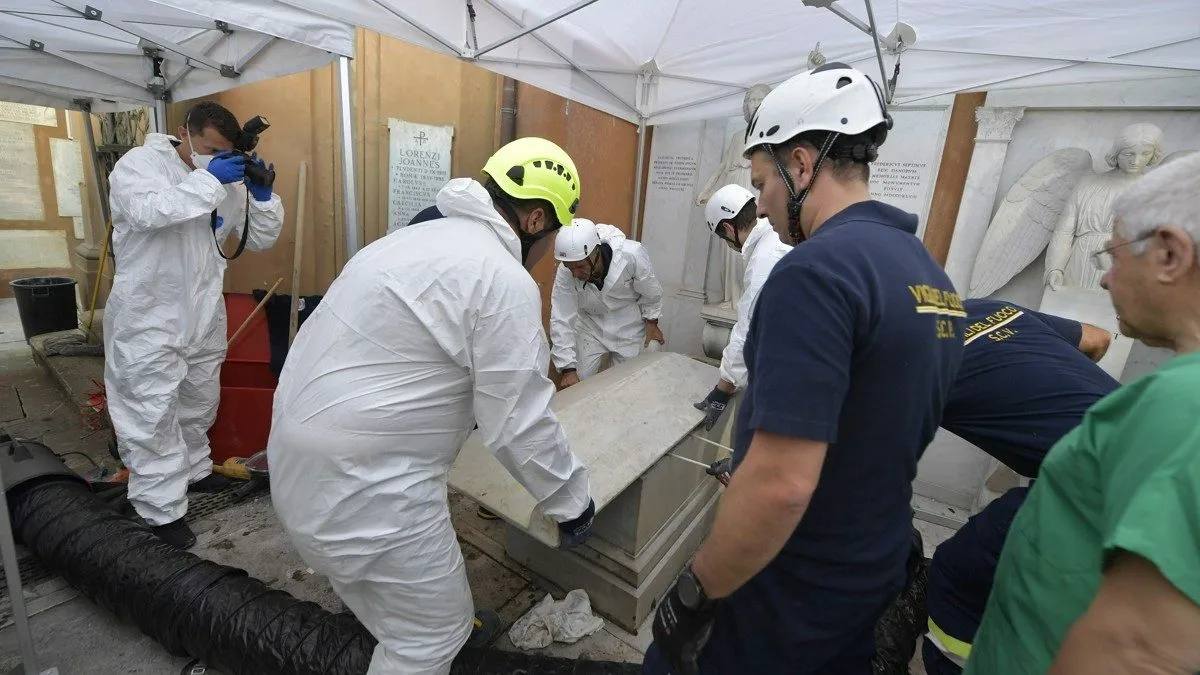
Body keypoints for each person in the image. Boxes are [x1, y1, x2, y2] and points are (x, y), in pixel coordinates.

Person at [644, 63, 965, 675]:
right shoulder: (931, 277)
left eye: (762, 182)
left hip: (788, 590)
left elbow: (784, 486)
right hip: (870, 572)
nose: (762, 206)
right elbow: (872, 421)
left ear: (800, 164)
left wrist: (695, 593)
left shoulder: (815, 273)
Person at [267, 137, 596, 675]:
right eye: (551, 234)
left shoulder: (402, 242)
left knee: (397, 593)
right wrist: (572, 502)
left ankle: (416, 619)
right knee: (430, 638)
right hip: (367, 489)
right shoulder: (501, 277)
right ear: (535, 219)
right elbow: (518, 423)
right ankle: (431, 635)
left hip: (295, 462)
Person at [964, 153, 1200, 674]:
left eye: (1113, 255)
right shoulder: (1168, 398)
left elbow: (1138, 649)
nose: (1105, 280)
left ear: (1169, 255)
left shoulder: (1182, 407)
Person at [104, 101, 283, 549]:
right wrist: (209, 180)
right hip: (149, 315)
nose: (215, 158)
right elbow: (149, 213)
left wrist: (262, 198)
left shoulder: (226, 182)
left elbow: (259, 239)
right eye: (209, 149)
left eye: (224, 152)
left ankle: (195, 471)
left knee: (199, 401)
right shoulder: (140, 165)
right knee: (151, 412)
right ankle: (160, 509)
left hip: (203, 313)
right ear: (184, 132)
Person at [916, 298, 1119, 674]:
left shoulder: (893, 356)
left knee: (959, 575)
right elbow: (1098, 339)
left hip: (1099, 483)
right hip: (1152, 448)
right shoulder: (989, 308)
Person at [693, 184, 790, 438]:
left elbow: (748, 329)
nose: (728, 245)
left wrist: (723, 389)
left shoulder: (764, 259)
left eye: (723, 238)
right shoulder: (775, 237)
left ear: (728, 228)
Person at [550, 217, 664, 387]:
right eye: (569, 267)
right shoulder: (566, 272)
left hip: (629, 325)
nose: (575, 274)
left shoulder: (632, 254)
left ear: (596, 252)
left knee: (623, 385)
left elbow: (650, 291)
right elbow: (561, 317)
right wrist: (568, 369)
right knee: (577, 382)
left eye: (580, 267)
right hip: (590, 325)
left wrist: (652, 322)